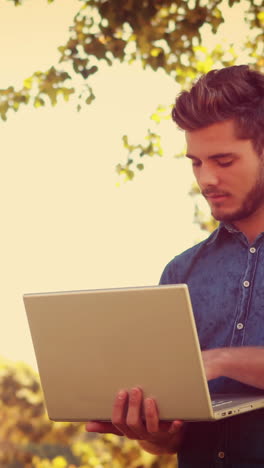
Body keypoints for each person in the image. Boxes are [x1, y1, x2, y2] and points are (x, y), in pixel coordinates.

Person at [86, 65, 264, 467]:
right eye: (196, 162)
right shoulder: (181, 273)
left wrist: (217, 362)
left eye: (223, 160)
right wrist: (156, 433)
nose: (207, 179)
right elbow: (170, 442)